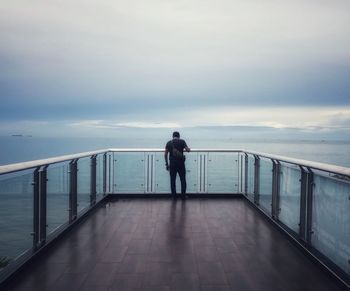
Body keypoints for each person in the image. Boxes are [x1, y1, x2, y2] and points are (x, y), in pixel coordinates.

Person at [164, 131, 191, 199]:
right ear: (179, 136)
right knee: (183, 180)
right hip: (181, 164)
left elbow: (165, 154)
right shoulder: (182, 141)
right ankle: (183, 196)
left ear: (172, 136)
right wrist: (189, 149)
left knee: (172, 180)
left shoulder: (169, 143)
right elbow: (187, 150)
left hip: (172, 164)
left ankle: (174, 196)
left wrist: (167, 164)